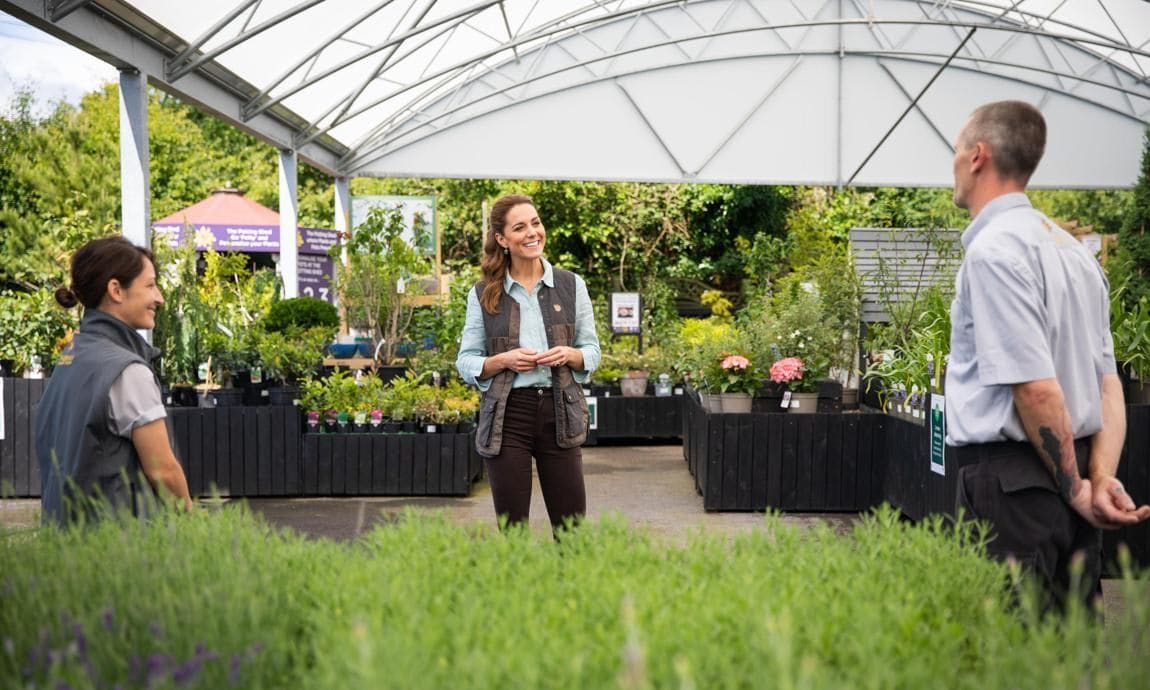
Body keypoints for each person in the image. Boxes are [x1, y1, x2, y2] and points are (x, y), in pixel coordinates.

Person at [945, 100, 1150, 611]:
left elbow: (1034, 388)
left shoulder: (995, 252)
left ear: (977, 156)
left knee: (1006, 654)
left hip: (1013, 486)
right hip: (1069, 477)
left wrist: (1077, 488)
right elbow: (1108, 385)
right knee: (1064, 657)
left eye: (954, 150)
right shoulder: (1075, 255)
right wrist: (1097, 477)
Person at [456, 194, 601, 531]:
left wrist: (570, 355)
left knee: (572, 532)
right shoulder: (483, 292)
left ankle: (571, 586)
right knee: (514, 532)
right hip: (509, 416)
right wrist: (501, 360)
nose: (532, 232)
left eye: (535, 222)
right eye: (519, 227)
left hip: (560, 411)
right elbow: (466, 361)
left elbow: (592, 351)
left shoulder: (570, 285)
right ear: (502, 239)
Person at [36, 236, 192, 526]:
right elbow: (163, 472)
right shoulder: (126, 371)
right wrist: (196, 527)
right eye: (150, 285)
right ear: (116, 290)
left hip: (65, 547)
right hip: (119, 552)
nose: (159, 298)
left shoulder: (72, 357)